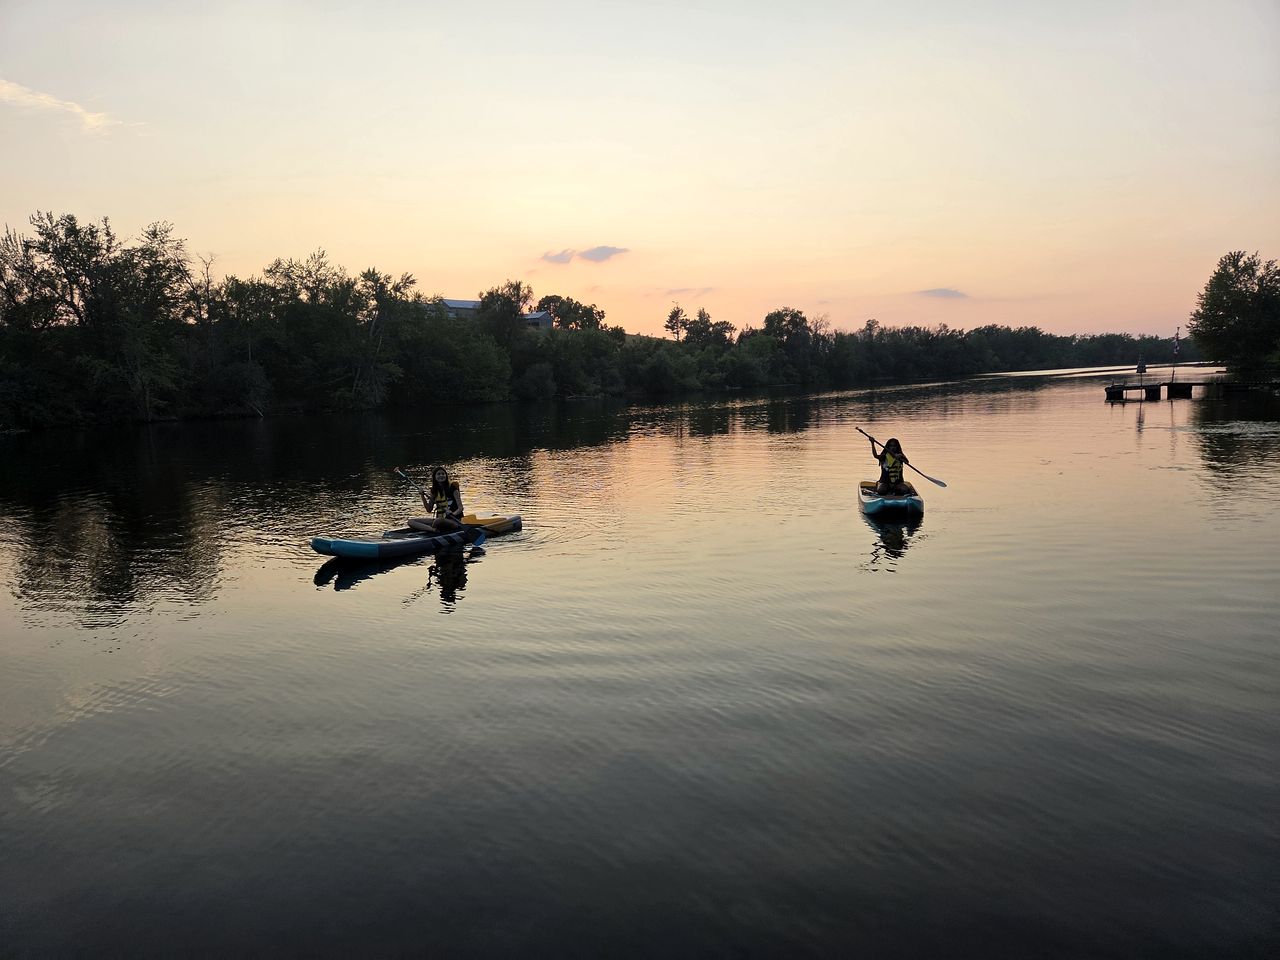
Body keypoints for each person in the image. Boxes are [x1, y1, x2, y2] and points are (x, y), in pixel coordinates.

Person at [414, 465, 464, 532]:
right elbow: (429, 509)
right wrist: (422, 496)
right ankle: (433, 530)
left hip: (454, 520)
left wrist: (452, 514)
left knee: (438, 520)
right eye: (438, 474)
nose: (441, 475)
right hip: (439, 520)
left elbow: (460, 508)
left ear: (446, 475)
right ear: (435, 477)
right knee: (411, 521)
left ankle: (431, 528)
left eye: (443, 474)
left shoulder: (453, 488)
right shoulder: (434, 491)